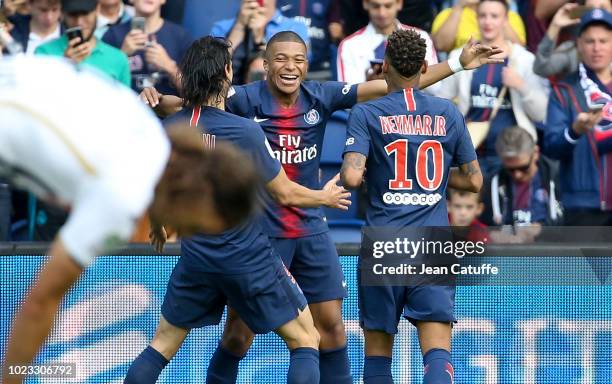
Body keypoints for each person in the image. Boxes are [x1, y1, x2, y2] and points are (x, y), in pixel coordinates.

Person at [141, 30, 502, 383]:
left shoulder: (321, 96)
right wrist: (156, 101)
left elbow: (394, 86)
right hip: (265, 233)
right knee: (239, 333)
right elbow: (194, 108)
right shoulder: (243, 100)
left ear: (308, 65)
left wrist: (455, 62)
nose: (290, 67)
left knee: (331, 327)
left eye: (298, 59)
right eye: (280, 59)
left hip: (311, 228)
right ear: (264, 65)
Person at [0, 55, 261, 384]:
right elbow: (39, 304)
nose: (187, 232)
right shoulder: (121, 196)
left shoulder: (149, 132)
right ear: (197, 196)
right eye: (195, 225)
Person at [125, 36, 353, 384]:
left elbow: (155, 187)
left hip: (197, 257)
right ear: (227, 73)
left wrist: (158, 225)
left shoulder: (171, 129)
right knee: (306, 339)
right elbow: (285, 193)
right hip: (247, 256)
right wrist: (324, 198)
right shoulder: (245, 131)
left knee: (162, 344)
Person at [340, 28, 482, 384]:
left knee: (377, 358)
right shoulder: (448, 113)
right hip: (432, 246)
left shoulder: (367, 114)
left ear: (384, 65)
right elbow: (475, 181)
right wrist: (433, 181)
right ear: (423, 67)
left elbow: (352, 177)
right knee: (437, 353)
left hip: (384, 244)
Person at [435, 0, 548, 177]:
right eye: (483, 16)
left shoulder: (524, 59)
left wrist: (521, 86)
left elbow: (541, 113)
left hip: (512, 158)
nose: (488, 22)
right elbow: (442, 103)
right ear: (476, 19)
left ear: (506, 20)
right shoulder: (459, 57)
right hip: (470, 153)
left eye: (494, 16)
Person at [543, 8, 612, 225]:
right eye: (590, 41)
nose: (597, 48)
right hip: (583, 205)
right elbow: (551, 148)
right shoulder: (564, 89)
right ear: (579, 45)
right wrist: (574, 131)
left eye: (603, 41)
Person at [337, 0, 437, 86]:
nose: (382, 13)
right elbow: (347, 96)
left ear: (399, 3)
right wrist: (371, 86)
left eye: (388, 6)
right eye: (376, 6)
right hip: (369, 107)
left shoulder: (421, 37)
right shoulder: (349, 45)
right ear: (366, 3)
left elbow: (436, 88)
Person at [102, 0, 191, 95]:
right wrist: (122, 55)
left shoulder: (181, 37)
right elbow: (98, 85)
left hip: (169, 109)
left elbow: (195, 93)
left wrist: (170, 67)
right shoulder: (112, 35)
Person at [210, 0, 309, 84]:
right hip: (229, 93)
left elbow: (299, 67)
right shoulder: (221, 28)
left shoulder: (296, 28)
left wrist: (260, 38)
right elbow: (212, 68)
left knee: (259, 65)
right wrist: (239, 27)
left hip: (274, 96)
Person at [35, 0, 130, 87]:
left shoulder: (118, 59)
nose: (79, 22)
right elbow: (38, 97)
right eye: (73, 15)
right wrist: (64, 66)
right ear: (63, 14)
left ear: (97, 9)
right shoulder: (43, 53)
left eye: (85, 14)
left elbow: (126, 104)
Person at [482, 126, 561, 226]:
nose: (517, 175)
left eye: (524, 167)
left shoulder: (557, 176)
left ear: (536, 153)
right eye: (510, 169)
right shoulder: (492, 182)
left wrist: (542, 231)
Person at [534, 0, 612, 79]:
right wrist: (555, 26)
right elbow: (540, 68)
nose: (596, 13)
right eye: (590, 9)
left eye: (603, 8)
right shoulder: (573, 51)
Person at [431, 0, 526, 53]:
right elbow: (440, 45)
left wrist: (501, 8)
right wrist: (459, 7)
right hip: (462, 71)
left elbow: (518, 49)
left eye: (494, 16)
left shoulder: (511, 16)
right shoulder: (448, 13)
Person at [278, 0, 344, 72]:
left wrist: (338, 31)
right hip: (287, 67)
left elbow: (337, 30)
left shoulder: (330, 2)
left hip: (321, 68)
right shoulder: (277, 2)